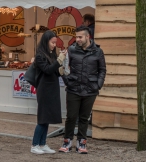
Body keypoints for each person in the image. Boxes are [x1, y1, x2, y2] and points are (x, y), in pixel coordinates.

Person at [59, 25, 106, 154]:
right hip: (73, 88)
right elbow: (64, 67)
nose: (77, 39)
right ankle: (67, 141)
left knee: (84, 118)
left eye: (80, 37)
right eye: (76, 37)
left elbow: (102, 70)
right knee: (71, 117)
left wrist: (98, 85)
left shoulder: (98, 51)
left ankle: (81, 142)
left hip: (90, 90)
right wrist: (67, 81)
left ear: (87, 36)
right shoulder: (72, 50)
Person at [30, 30, 67, 155]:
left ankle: (42, 143)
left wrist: (61, 68)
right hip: (44, 90)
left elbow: (54, 71)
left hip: (52, 89)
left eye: (55, 43)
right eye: (52, 42)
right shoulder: (40, 56)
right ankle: (35, 145)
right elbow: (47, 70)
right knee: (42, 118)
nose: (54, 45)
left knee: (47, 118)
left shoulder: (51, 54)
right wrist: (59, 60)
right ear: (46, 42)